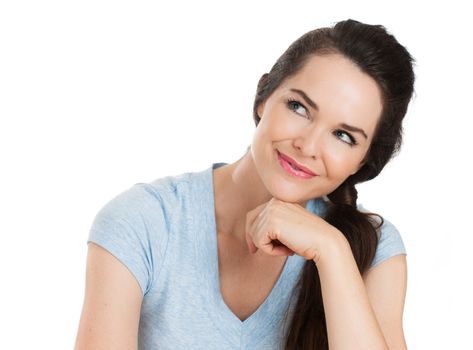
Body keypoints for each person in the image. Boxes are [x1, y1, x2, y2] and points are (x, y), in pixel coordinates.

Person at [74, 19, 415, 350]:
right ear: (263, 97)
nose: (308, 147)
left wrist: (331, 252)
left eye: (343, 136)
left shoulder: (373, 248)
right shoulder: (144, 223)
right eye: (299, 107)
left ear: (363, 161)